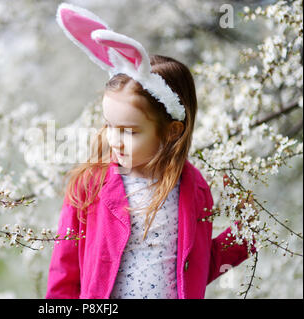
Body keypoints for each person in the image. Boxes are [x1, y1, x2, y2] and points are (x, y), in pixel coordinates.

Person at [45, 3, 256, 299]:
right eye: (110, 125)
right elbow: (65, 272)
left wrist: (243, 236)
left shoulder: (192, 189)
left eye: (129, 131)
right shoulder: (89, 186)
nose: (114, 140)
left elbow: (194, 268)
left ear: (171, 132)